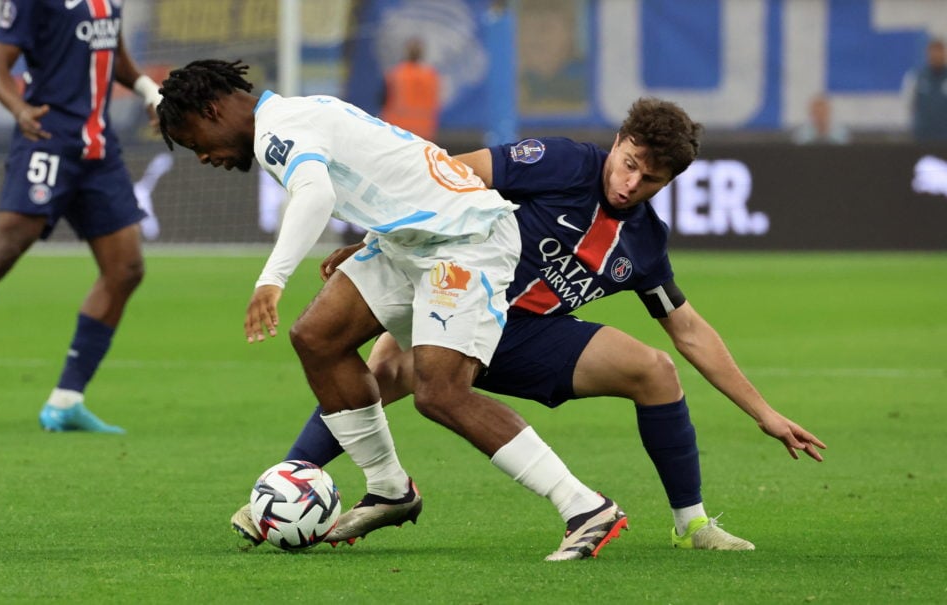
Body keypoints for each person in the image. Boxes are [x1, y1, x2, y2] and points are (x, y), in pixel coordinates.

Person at [235, 98, 827, 551]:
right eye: (629, 165)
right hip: (458, 295)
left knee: (656, 369)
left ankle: (691, 523)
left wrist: (765, 413)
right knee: (381, 364)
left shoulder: (644, 243)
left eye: (650, 181)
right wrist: (378, 235)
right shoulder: (563, 161)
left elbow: (690, 328)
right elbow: (450, 170)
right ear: (618, 142)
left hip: (524, 336)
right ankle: (292, 485)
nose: (629, 184)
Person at [155, 59, 624, 561]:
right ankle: (389, 489)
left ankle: (584, 506)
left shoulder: (278, 131)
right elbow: (396, 169)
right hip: (408, 239)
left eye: (194, 141)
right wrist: (370, 239)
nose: (202, 156)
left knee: (440, 392)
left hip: (464, 241)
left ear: (212, 109)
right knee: (317, 336)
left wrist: (271, 281)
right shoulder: (302, 111)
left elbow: (315, 194)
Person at [0, 0, 162, 433]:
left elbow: (112, 53)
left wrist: (149, 90)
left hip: (98, 152)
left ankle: (66, 401)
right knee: (3, 251)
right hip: (47, 140)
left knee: (126, 268)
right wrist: (19, 110)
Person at [380, 38, 441, 142]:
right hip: (424, 130)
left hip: (397, 129)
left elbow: (383, 99)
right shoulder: (431, 75)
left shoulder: (396, 74)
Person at [903, 37, 947, 142]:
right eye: (933, 51)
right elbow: (908, 104)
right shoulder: (916, 77)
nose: (936, 55)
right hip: (922, 137)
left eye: (939, 51)